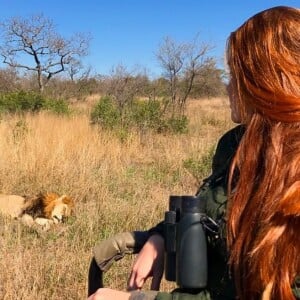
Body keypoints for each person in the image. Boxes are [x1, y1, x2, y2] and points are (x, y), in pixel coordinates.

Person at [88, 6, 300, 300]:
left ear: (266, 82)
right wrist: (161, 235)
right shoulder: (236, 145)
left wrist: (137, 299)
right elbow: (209, 210)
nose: (227, 87)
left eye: (235, 75)